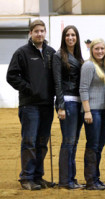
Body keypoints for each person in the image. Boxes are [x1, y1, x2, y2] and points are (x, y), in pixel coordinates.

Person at [6, 19, 56, 190]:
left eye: (42, 31)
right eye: (36, 31)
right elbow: (11, 76)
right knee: (29, 141)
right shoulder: (22, 53)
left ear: (45, 32)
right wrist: (29, 89)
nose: (39, 34)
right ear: (30, 33)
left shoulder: (51, 53)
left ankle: (38, 177)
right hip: (30, 106)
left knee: (42, 142)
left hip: (47, 105)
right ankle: (26, 177)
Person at [52, 25, 84, 189]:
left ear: (77, 38)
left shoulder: (78, 56)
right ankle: (65, 180)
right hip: (68, 102)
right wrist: (61, 106)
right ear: (64, 38)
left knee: (74, 142)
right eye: (67, 35)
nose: (70, 38)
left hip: (78, 103)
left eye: (73, 35)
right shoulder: (59, 56)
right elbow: (57, 82)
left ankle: (71, 177)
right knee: (68, 142)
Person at [79, 38, 105, 190]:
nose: (100, 51)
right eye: (97, 49)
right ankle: (91, 181)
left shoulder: (103, 66)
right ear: (91, 50)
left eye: (102, 49)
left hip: (104, 111)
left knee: (99, 146)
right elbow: (83, 89)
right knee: (93, 145)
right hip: (93, 111)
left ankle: (96, 178)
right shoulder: (88, 65)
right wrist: (87, 111)